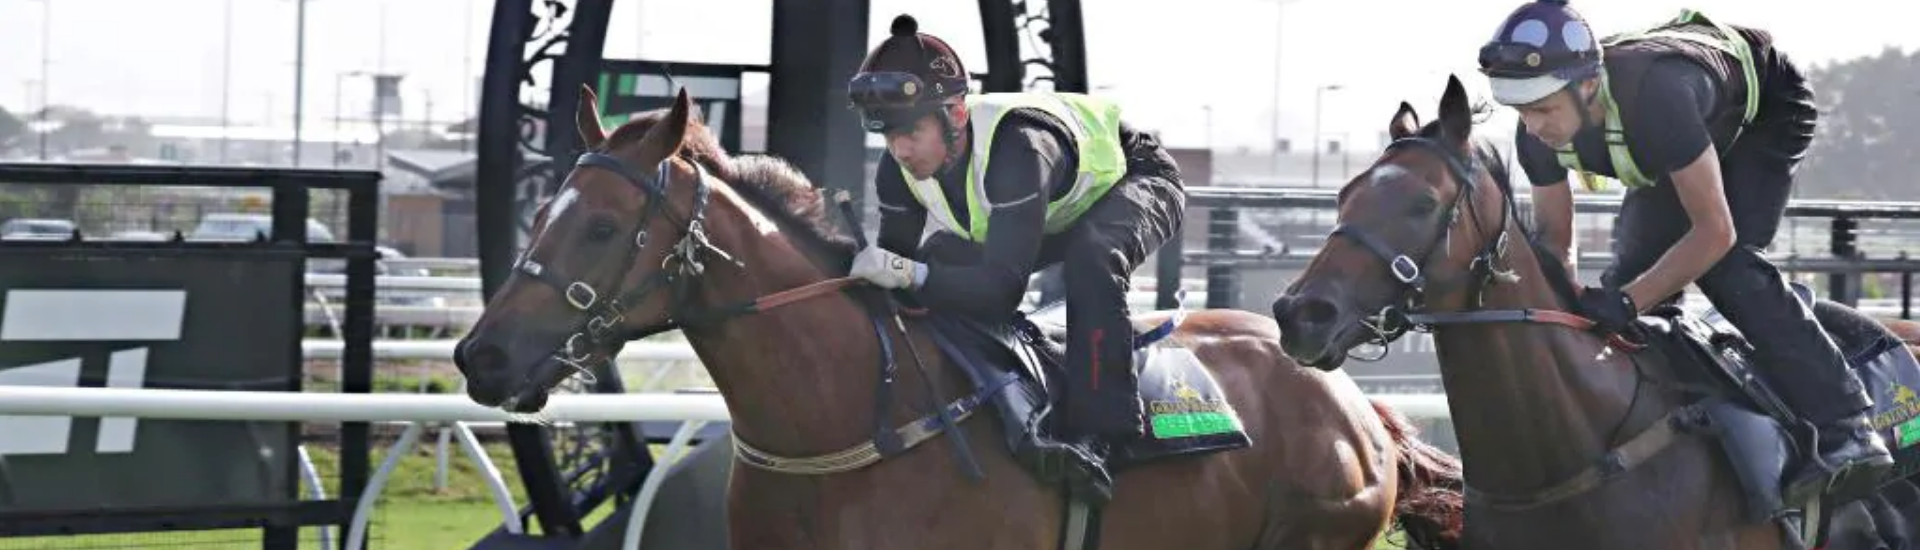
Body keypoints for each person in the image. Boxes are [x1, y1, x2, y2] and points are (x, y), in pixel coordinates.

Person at [1477, 0, 1893, 499]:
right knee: (1634, 273)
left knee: (1727, 267)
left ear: (1587, 85)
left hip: (1764, 113)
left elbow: (1715, 233)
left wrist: (1629, 301)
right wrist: (1572, 310)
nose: (1535, 125)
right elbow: (1554, 246)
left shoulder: (1655, 99)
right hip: (1683, 133)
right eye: (1523, 110)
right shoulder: (1537, 136)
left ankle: (1847, 424)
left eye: (1544, 108)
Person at [842, 13, 1187, 487]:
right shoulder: (895, 169)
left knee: (1092, 259)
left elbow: (1000, 291)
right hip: (1058, 206)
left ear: (957, 115)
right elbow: (901, 276)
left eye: (910, 133)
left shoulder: (1018, 148)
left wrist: (908, 273)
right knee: (942, 258)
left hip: (1139, 178)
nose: (899, 151)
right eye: (887, 135)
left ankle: (1108, 430)